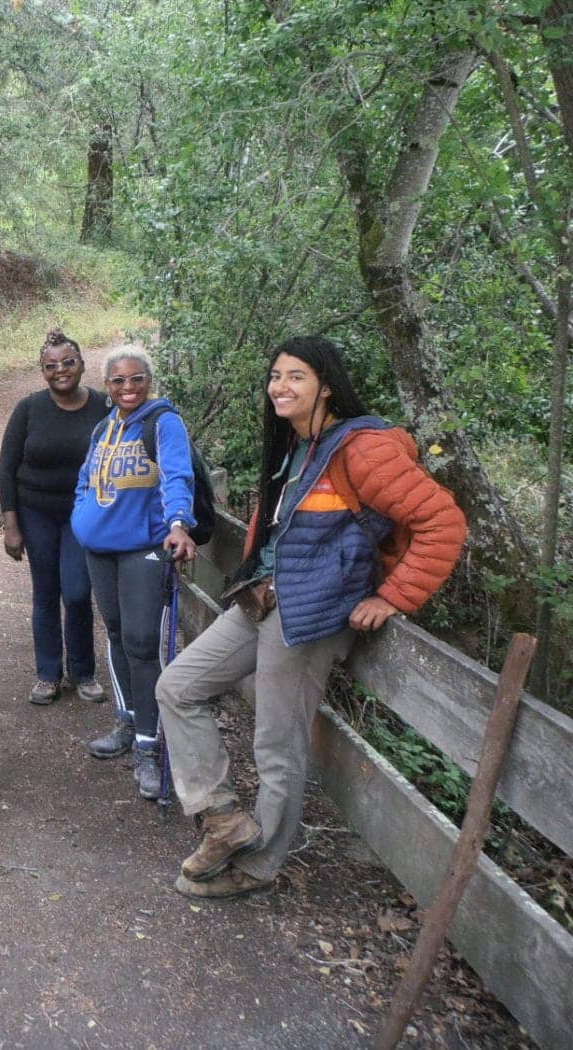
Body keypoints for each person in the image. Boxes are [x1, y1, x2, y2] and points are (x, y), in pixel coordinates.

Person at [159, 336, 466, 901]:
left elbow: (443, 524)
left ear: (325, 384)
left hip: (312, 612)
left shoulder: (362, 448)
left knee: (278, 742)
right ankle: (224, 820)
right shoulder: (297, 446)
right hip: (263, 600)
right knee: (177, 686)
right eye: (275, 375)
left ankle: (259, 865)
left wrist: (393, 597)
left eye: (295, 376)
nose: (280, 386)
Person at [70, 345, 198, 800]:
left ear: (149, 380)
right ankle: (125, 721)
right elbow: (86, 479)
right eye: (118, 381)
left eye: (136, 378)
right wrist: (79, 517)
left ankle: (149, 743)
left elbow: (178, 477)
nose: (128, 388)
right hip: (99, 548)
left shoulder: (163, 423)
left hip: (144, 547)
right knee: (119, 636)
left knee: (144, 642)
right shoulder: (105, 428)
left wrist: (179, 524)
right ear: (107, 386)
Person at [0, 329, 110, 705]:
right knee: (46, 592)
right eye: (51, 366)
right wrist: (11, 525)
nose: (61, 370)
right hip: (36, 511)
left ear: (81, 364)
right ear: (42, 371)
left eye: (68, 362)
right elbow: (6, 468)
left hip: (84, 514)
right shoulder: (29, 409)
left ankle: (83, 672)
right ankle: (48, 674)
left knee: (77, 592)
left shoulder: (103, 407)